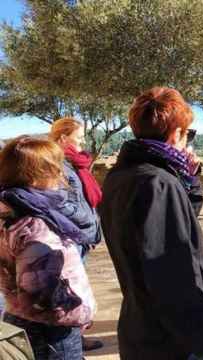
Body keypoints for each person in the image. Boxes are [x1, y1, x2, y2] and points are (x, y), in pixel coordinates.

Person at [98, 87, 203, 359]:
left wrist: (189, 181)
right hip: (172, 341)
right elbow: (170, 270)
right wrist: (202, 335)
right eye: (188, 133)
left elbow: (178, 224)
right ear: (176, 133)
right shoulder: (158, 183)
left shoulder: (122, 175)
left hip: (141, 326)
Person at [0, 136, 96, 359]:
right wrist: (82, 312)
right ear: (36, 176)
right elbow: (42, 301)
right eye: (54, 169)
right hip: (50, 333)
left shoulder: (10, 211)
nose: (60, 175)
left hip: (19, 318)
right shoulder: (33, 225)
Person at [49, 117, 104, 352]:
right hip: (74, 236)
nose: (82, 141)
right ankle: (73, 343)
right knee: (72, 292)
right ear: (63, 138)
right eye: (78, 136)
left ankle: (76, 340)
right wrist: (86, 218)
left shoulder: (74, 164)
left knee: (77, 289)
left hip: (81, 237)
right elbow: (61, 204)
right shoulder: (58, 166)